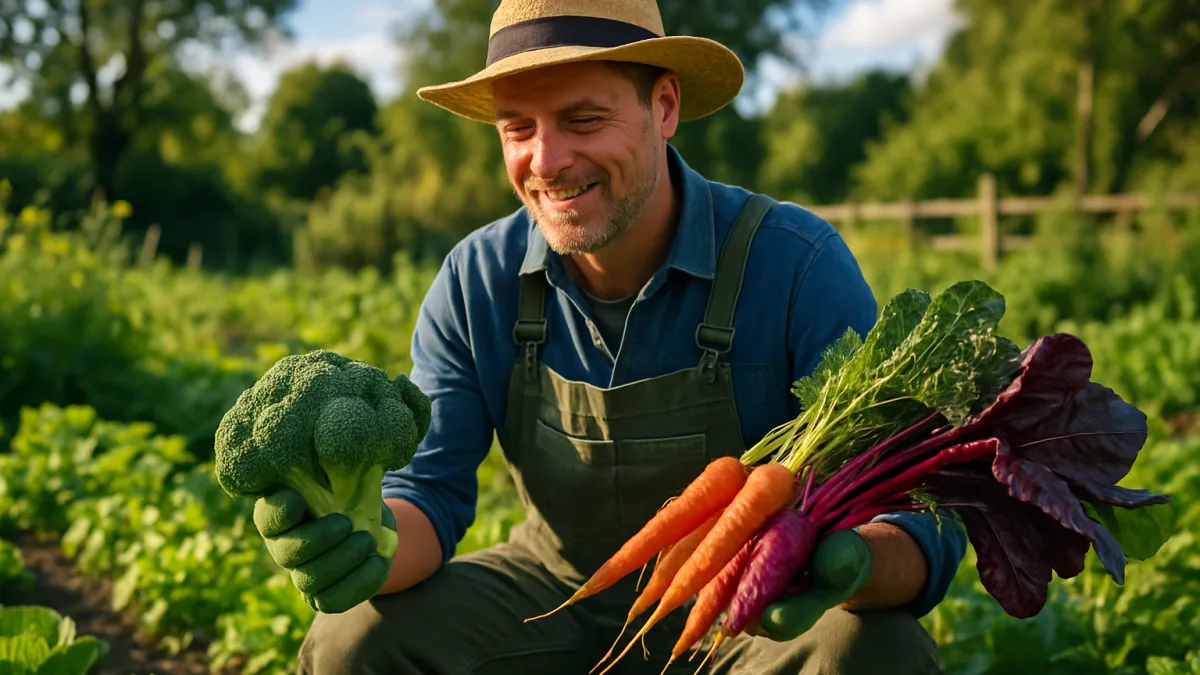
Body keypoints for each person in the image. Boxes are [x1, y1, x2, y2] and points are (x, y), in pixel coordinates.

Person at [252, 1, 967, 672]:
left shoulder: (795, 263)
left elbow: (917, 515)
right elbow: (430, 494)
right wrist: (367, 539)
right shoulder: (478, 278)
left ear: (664, 106)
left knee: (869, 648)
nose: (546, 158)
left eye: (583, 119)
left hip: (748, 609)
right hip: (552, 590)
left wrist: (848, 561)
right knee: (355, 639)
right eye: (517, 127)